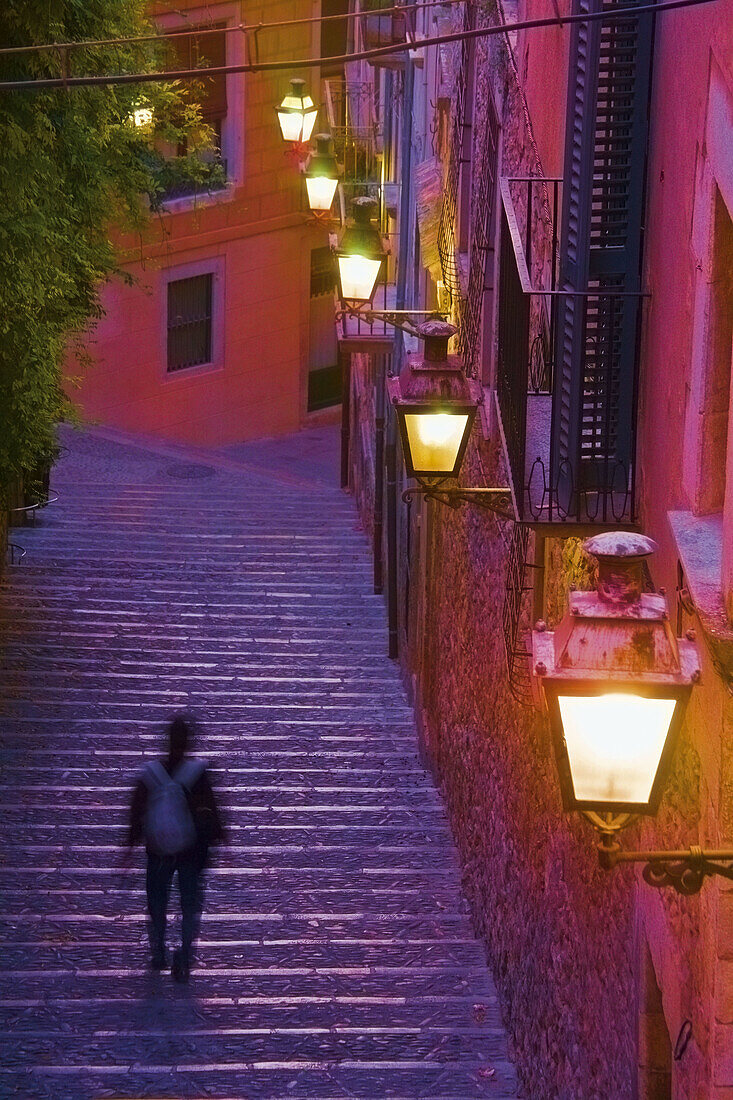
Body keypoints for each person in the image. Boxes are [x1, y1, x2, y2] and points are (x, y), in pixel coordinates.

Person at [126, 712, 223, 982]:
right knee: (189, 903)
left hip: (158, 851)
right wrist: (217, 838)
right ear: (189, 741)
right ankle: (184, 953)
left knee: (157, 900)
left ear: (167, 740)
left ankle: (158, 950)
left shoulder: (151, 774)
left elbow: (136, 812)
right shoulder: (198, 773)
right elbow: (213, 813)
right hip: (190, 852)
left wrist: (129, 845)